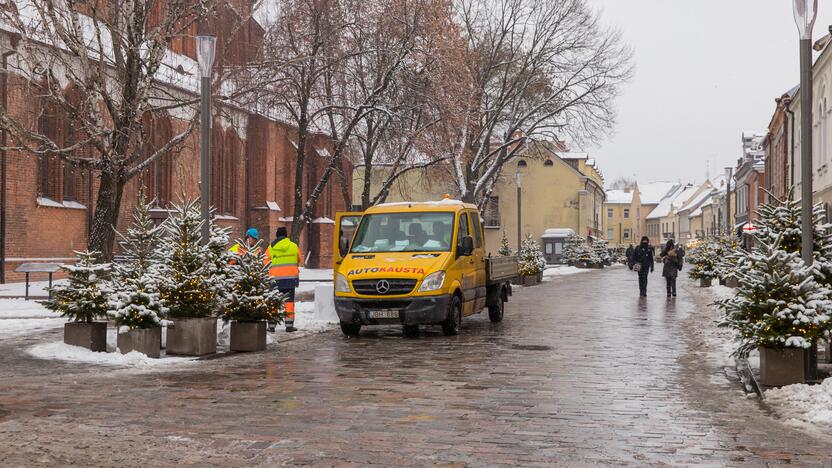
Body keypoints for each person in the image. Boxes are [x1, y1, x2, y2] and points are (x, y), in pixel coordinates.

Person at [267, 227, 301, 333]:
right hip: (290, 279)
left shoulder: (271, 247)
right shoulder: (294, 246)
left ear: (277, 235)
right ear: (286, 235)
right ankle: (289, 326)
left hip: (275, 280)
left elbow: (265, 262)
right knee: (289, 302)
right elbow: (298, 259)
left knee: (273, 302)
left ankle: (272, 326)